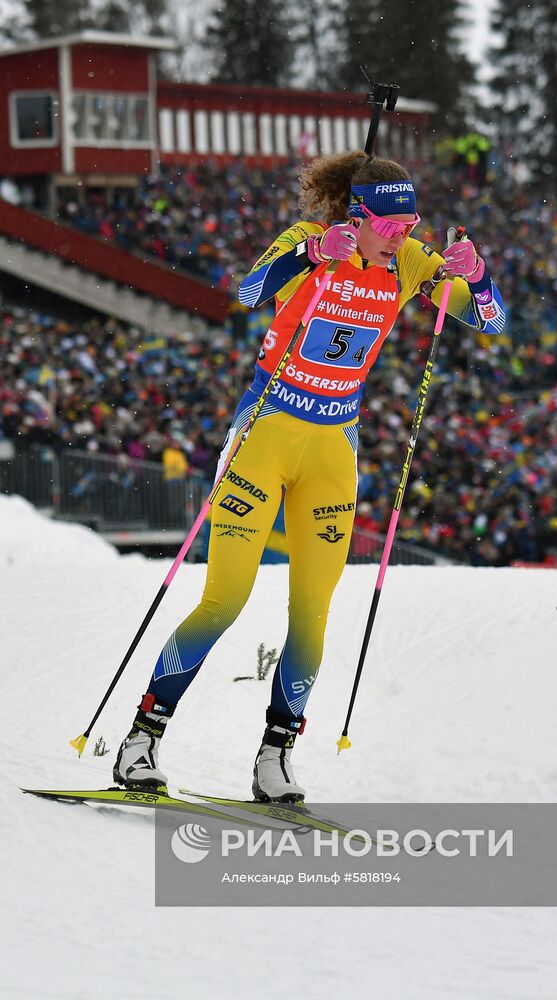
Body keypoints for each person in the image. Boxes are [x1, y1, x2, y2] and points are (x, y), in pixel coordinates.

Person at [112, 150, 506, 802]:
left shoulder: (408, 262)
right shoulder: (309, 242)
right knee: (225, 599)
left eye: (413, 222)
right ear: (360, 214)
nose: (405, 234)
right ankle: (141, 740)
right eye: (392, 223)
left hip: (332, 450)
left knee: (311, 614)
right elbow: (243, 295)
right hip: (265, 434)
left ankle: (276, 757)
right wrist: (311, 255)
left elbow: (486, 319)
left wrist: (480, 279)